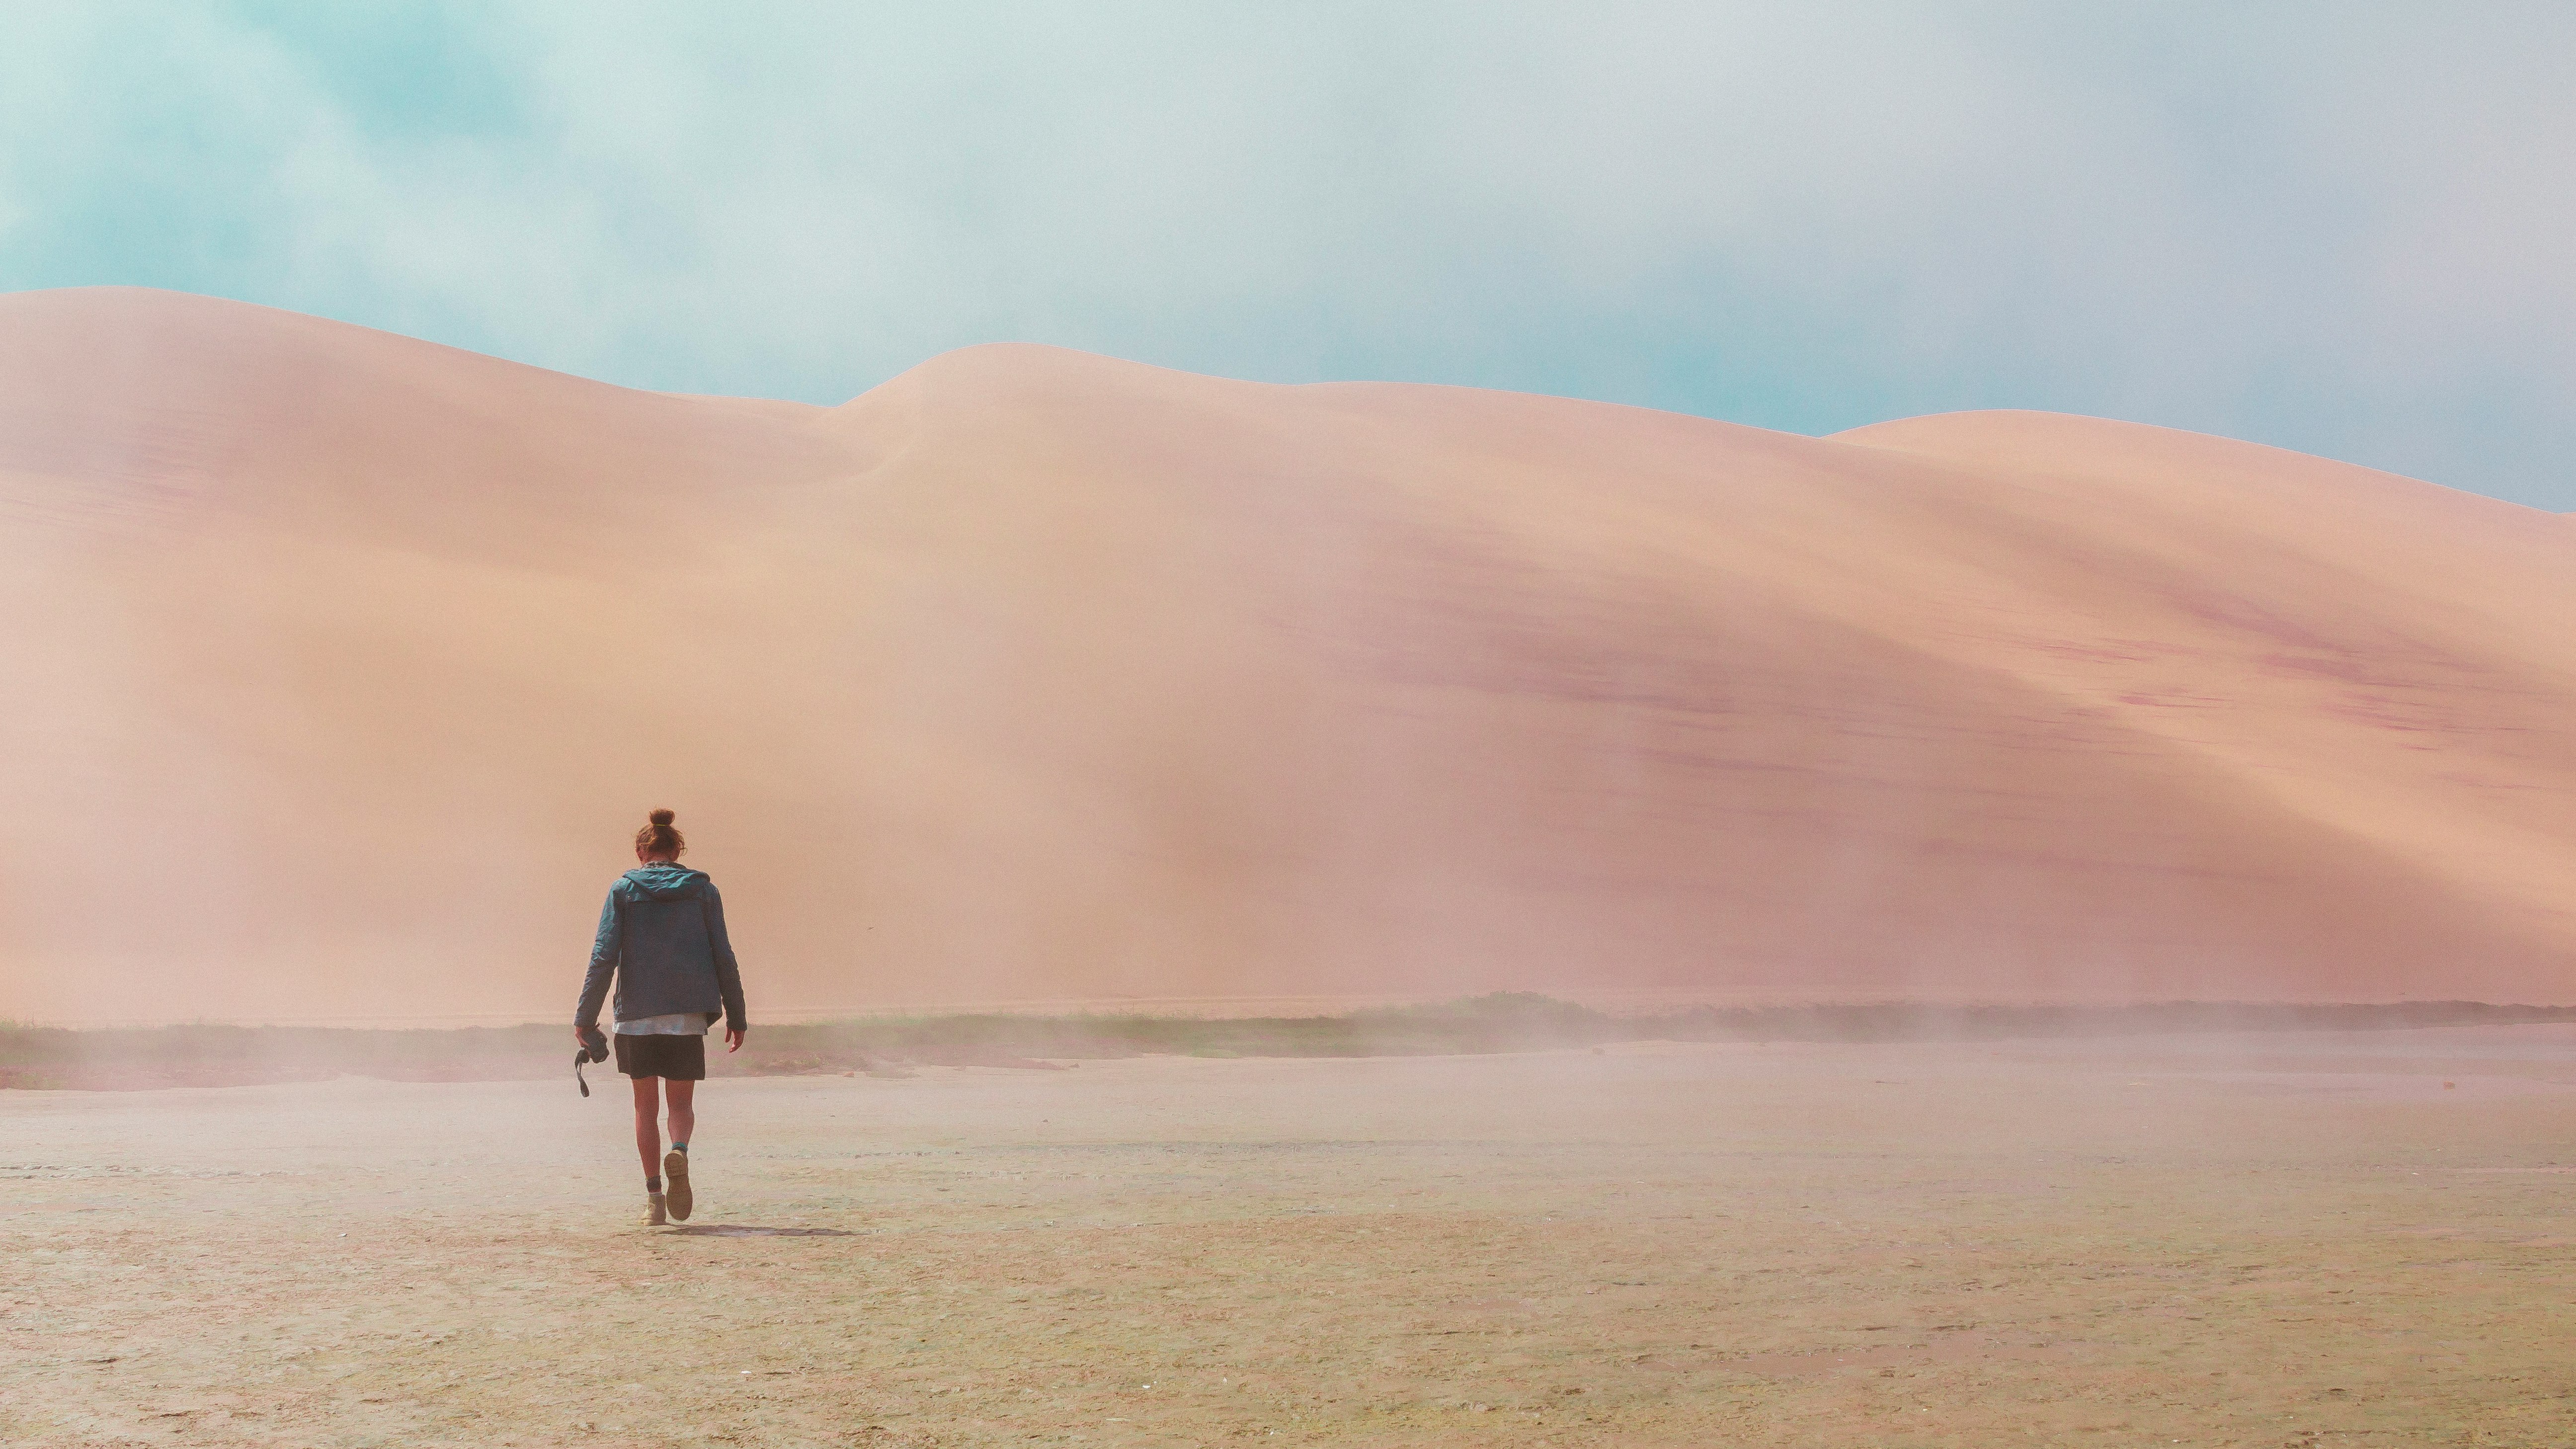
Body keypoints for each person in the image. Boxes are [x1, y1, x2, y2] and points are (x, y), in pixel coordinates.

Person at [574, 808, 748, 1226]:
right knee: (681, 1104)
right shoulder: (704, 892)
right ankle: (681, 1151)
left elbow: (604, 957)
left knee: (643, 1108)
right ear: (678, 850)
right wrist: (737, 1014)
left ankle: (654, 1201)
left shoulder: (623, 890)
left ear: (640, 852)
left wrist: (585, 1016)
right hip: (686, 1016)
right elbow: (723, 955)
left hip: (635, 1015)